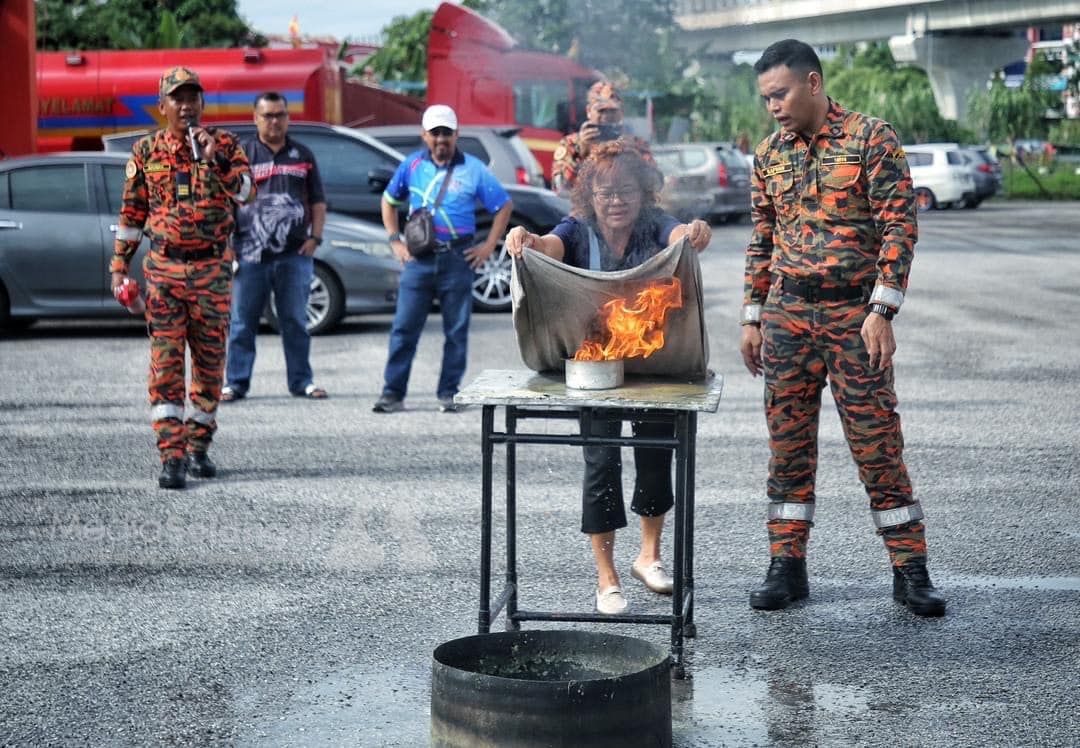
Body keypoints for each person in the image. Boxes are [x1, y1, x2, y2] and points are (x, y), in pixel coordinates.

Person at [739, 39, 946, 616]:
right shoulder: (768, 154)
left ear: (812, 83)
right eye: (765, 98)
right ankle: (786, 567)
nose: (772, 106)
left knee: (878, 445)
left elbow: (899, 228)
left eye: (779, 93)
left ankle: (910, 571)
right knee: (787, 449)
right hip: (785, 318)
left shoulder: (870, 139)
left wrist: (883, 310)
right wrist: (751, 318)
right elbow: (762, 239)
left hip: (853, 316)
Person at [505, 140, 712, 614]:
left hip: (652, 366)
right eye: (604, 192)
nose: (615, 201)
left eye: (625, 191)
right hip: (593, 366)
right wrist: (528, 241)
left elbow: (680, 233)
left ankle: (649, 556)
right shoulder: (578, 230)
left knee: (657, 458)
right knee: (601, 465)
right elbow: (549, 244)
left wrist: (694, 232)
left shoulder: (653, 225)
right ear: (589, 197)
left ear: (642, 194)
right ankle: (606, 577)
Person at [110, 66, 254, 489]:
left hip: (212, 272)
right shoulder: (146, 151)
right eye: (178, 98)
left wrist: (218, 161)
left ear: (203, 105)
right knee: (166, 365)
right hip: (165, 273)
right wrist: (119, 265)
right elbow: (131, 215)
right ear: (162, 106)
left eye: (193, 97)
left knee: (210, 366)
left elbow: (247, 193)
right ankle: (171, 456)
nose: (186, 105)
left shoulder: (225, 144)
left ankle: (198, 447)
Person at [373, 105, 512, 414]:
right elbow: (388, 201)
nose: (441, 139)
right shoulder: (411, 166)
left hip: (457, 259)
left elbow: (503, 204)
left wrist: (489, 245)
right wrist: (395, 239)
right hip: (419, 260)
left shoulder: (473, 168)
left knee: (456, 330)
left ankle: (449, 392)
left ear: (456, 134)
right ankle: (392, 393)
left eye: (446, 133)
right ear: (424, 135)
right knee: (404, 328)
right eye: (435, 133)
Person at [222, 92, 328, 403]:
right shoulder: (241, 155)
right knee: (242, 323)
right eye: (267, 115)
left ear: (288, 117)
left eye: (280, 115)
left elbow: (318, 201)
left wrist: (315, 238)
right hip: (250, 255)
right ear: (255, 118)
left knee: (295, 321)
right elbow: (225, 202)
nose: (274, 121)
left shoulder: (302, 154)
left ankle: (301, 381)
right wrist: (227, 245)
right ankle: (236, 383)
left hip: (294, 255)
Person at [551, 81, 652, 195]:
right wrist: (581, 154)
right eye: (601, 110)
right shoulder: (571, 143)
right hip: (584, 210)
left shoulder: (636, 144)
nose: (607, 116)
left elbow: (653, 185)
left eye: (613, 110)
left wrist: (631, 154)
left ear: (621, 112)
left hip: (625, 207)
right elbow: (560, 188)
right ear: (589, 111)